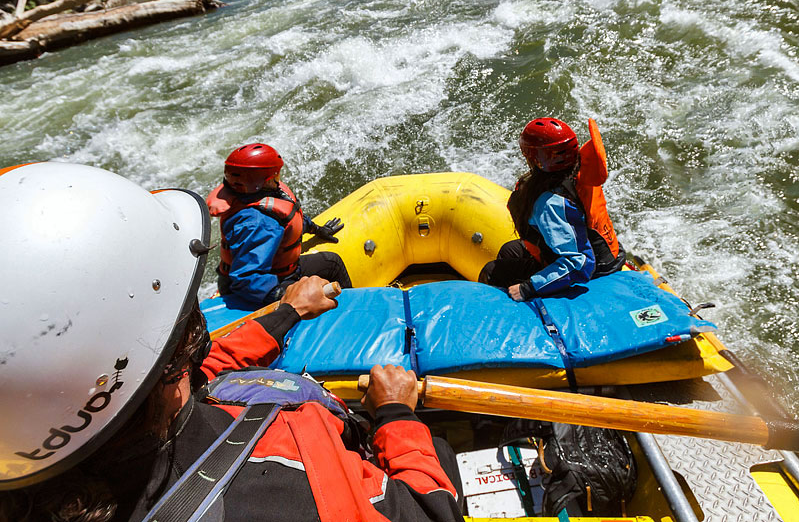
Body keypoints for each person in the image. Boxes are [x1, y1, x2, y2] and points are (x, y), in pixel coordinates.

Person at [0, 161, 463, 522]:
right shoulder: (293, 479)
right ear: (176, 347)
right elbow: (431, 512)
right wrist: (397, 416)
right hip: (356, 447)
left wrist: (288, 312)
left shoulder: (42, 460)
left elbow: (203, 376)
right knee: (439, 449)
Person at [479, 117, 626, 301]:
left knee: (492, 272)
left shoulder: (550, 203)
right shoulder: (578, 170)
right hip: (606, 256)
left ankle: (508, 315)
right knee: (510, 250)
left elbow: (579, 263)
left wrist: (528, 287)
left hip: (592, 271)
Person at [207, 143, 353, 306]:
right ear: (262, 182)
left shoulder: (251, 197)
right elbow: (247, 280)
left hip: (276, 271)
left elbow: (287, 218)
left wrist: (317, 229)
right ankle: (347, 312)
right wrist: (285, 296)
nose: (278, 179)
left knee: (331, 261)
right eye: (275, 177)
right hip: (266, 285)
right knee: (331, 266)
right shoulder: (258, 222)